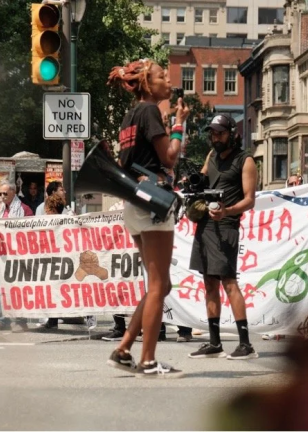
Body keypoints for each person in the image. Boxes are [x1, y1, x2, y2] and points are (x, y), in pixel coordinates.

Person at [105, 58, 189, 378]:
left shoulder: (130, 116)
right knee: (157, 286)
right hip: (153, 201)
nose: (167, 80)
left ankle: (124, 348)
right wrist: (179, 124)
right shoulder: (150, 111)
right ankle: (148, 360)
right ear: (146, 84)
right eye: (161, 76)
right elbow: (170, 156)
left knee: (161, 284)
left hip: (134, 203)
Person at [187, 113, 259, 360]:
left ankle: (246, 344)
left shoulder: (245, 160)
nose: (215, 137)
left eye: (220, 133)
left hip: (226, 224)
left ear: (232, 134)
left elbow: (250, 200)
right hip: (206, 225)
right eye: (212, 133)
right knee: (209, 283)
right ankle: (215, 342)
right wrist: (193, 188)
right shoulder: (211, 156)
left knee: (229, 282)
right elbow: (203, 180)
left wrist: (226, 211)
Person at [0, 181, 32, 333]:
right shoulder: (0, 210)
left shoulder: (24, 210)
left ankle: (20, 320)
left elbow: (31, 231)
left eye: (5, 193)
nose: (2, 196)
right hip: (1, 255)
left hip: (17, 255)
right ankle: (3, 319)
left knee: (17, 287)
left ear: (13, 192)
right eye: (0, 194)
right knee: (0, 288)